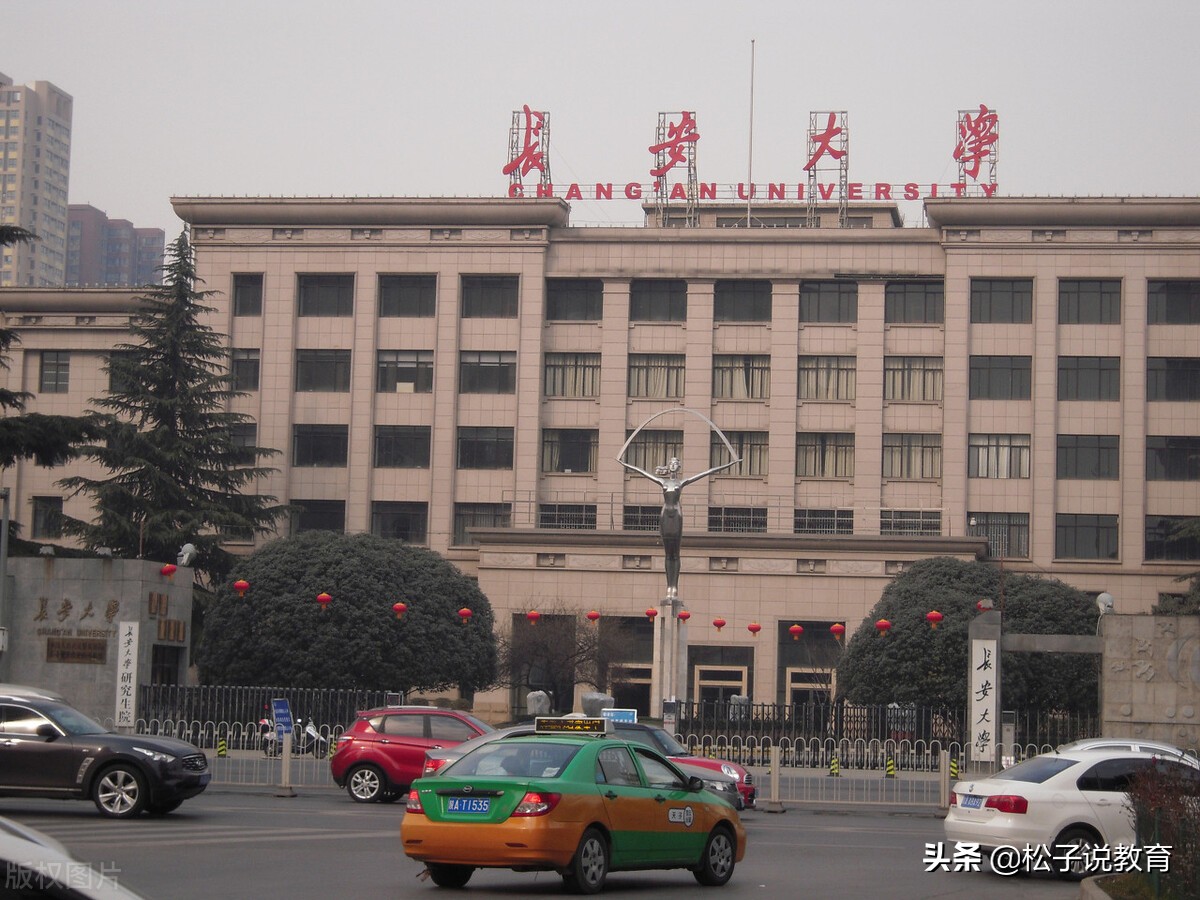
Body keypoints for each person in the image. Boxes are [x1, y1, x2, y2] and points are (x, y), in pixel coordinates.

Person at [617, 455, 739, 598]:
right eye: (671, 463)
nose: (673, 465)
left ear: (679, 467)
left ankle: (674, 586)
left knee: (675, 552)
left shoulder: (681, 483)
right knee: (668, 553)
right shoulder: (662, 481)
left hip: (676, 515)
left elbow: (707, 472)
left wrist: (729, 464)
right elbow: (642, 472)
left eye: (676, 463)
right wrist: (624, 463)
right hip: (665, 515)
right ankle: (669, 587)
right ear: (669, 466)